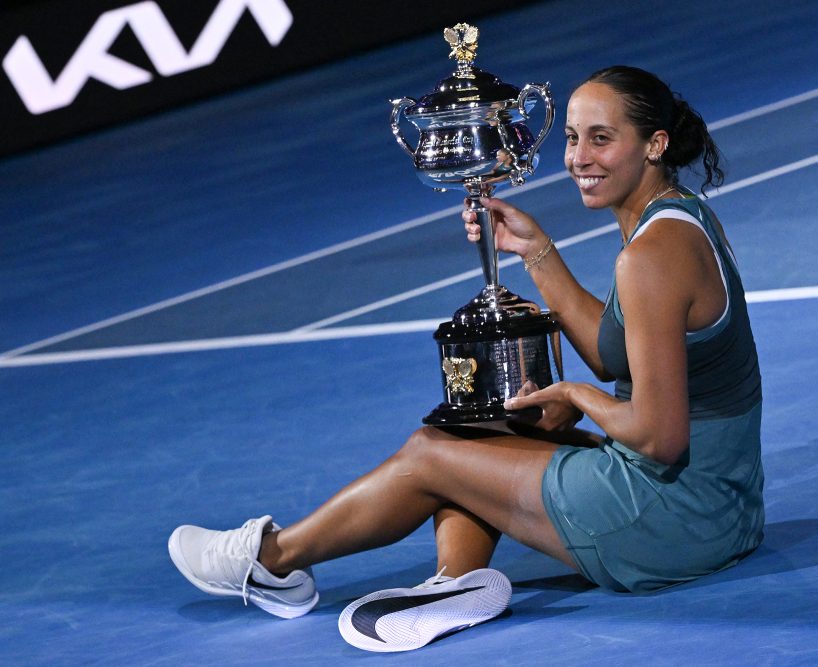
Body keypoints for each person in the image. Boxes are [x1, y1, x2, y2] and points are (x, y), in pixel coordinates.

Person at [168, 65, 764, 652]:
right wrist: (535, 250)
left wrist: (573, 397)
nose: (579, 157)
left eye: (601, 139)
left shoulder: (650, 257)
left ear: (654, 144)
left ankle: (273, 563)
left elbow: (657, 438)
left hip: (674, 519)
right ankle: (456, 586)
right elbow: (615, 358)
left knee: (432, 453)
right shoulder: (679, 219)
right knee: (471, 425)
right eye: (572, 138)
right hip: (721, 506)